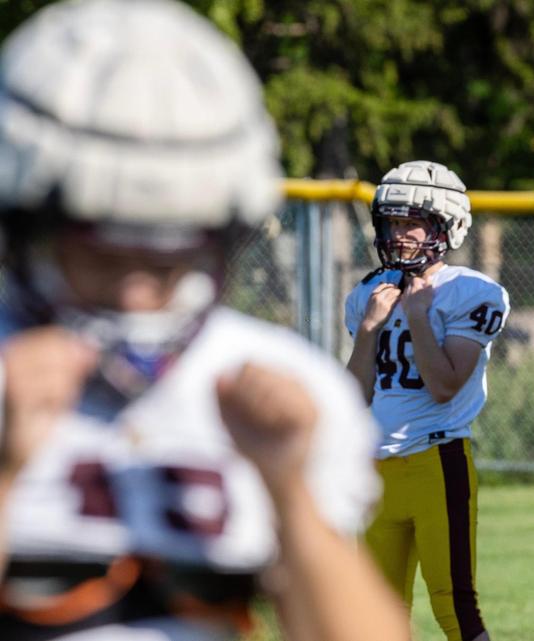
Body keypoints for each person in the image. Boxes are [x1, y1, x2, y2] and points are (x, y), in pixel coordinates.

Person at [0, 1, 409, 640]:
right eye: (102, 257)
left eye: (170, 262)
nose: (137, 295)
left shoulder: (279, 387)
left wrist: (287, 489)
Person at [346, 160, 509, 641]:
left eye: (410, 222)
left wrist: (417, 316)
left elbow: (444, 385)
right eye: (392, 222)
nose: (398, 234)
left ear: (446, 224)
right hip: (377, 468)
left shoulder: (471, 291)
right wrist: (371, 329)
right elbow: (354, 396)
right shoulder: (366, 295)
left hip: (438, 461)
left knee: (454, 607)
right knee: (375, 613)